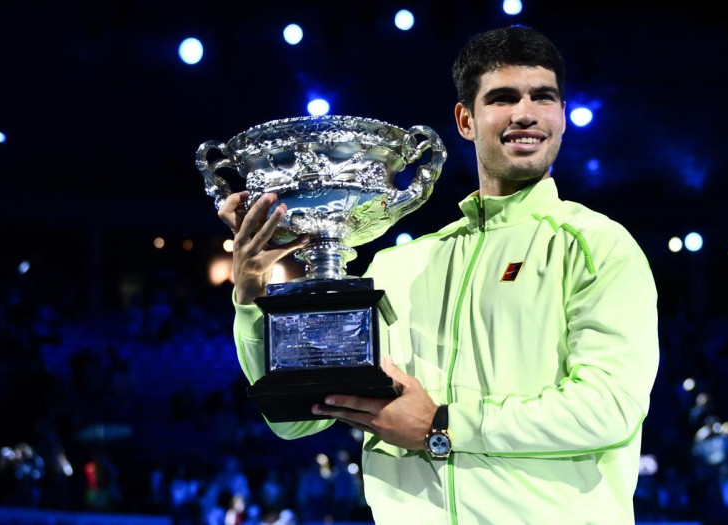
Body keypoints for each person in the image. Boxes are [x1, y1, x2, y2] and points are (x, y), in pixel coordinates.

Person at [218, 25, 659, 524]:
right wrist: (252, 299)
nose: (525, 113)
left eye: (544, 97)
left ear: (561, 116)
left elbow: (608, 408)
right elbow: (297, 422)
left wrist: (442, 425)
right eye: (503, 98)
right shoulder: (397, 266)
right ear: (465, 120)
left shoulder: (597, 246)